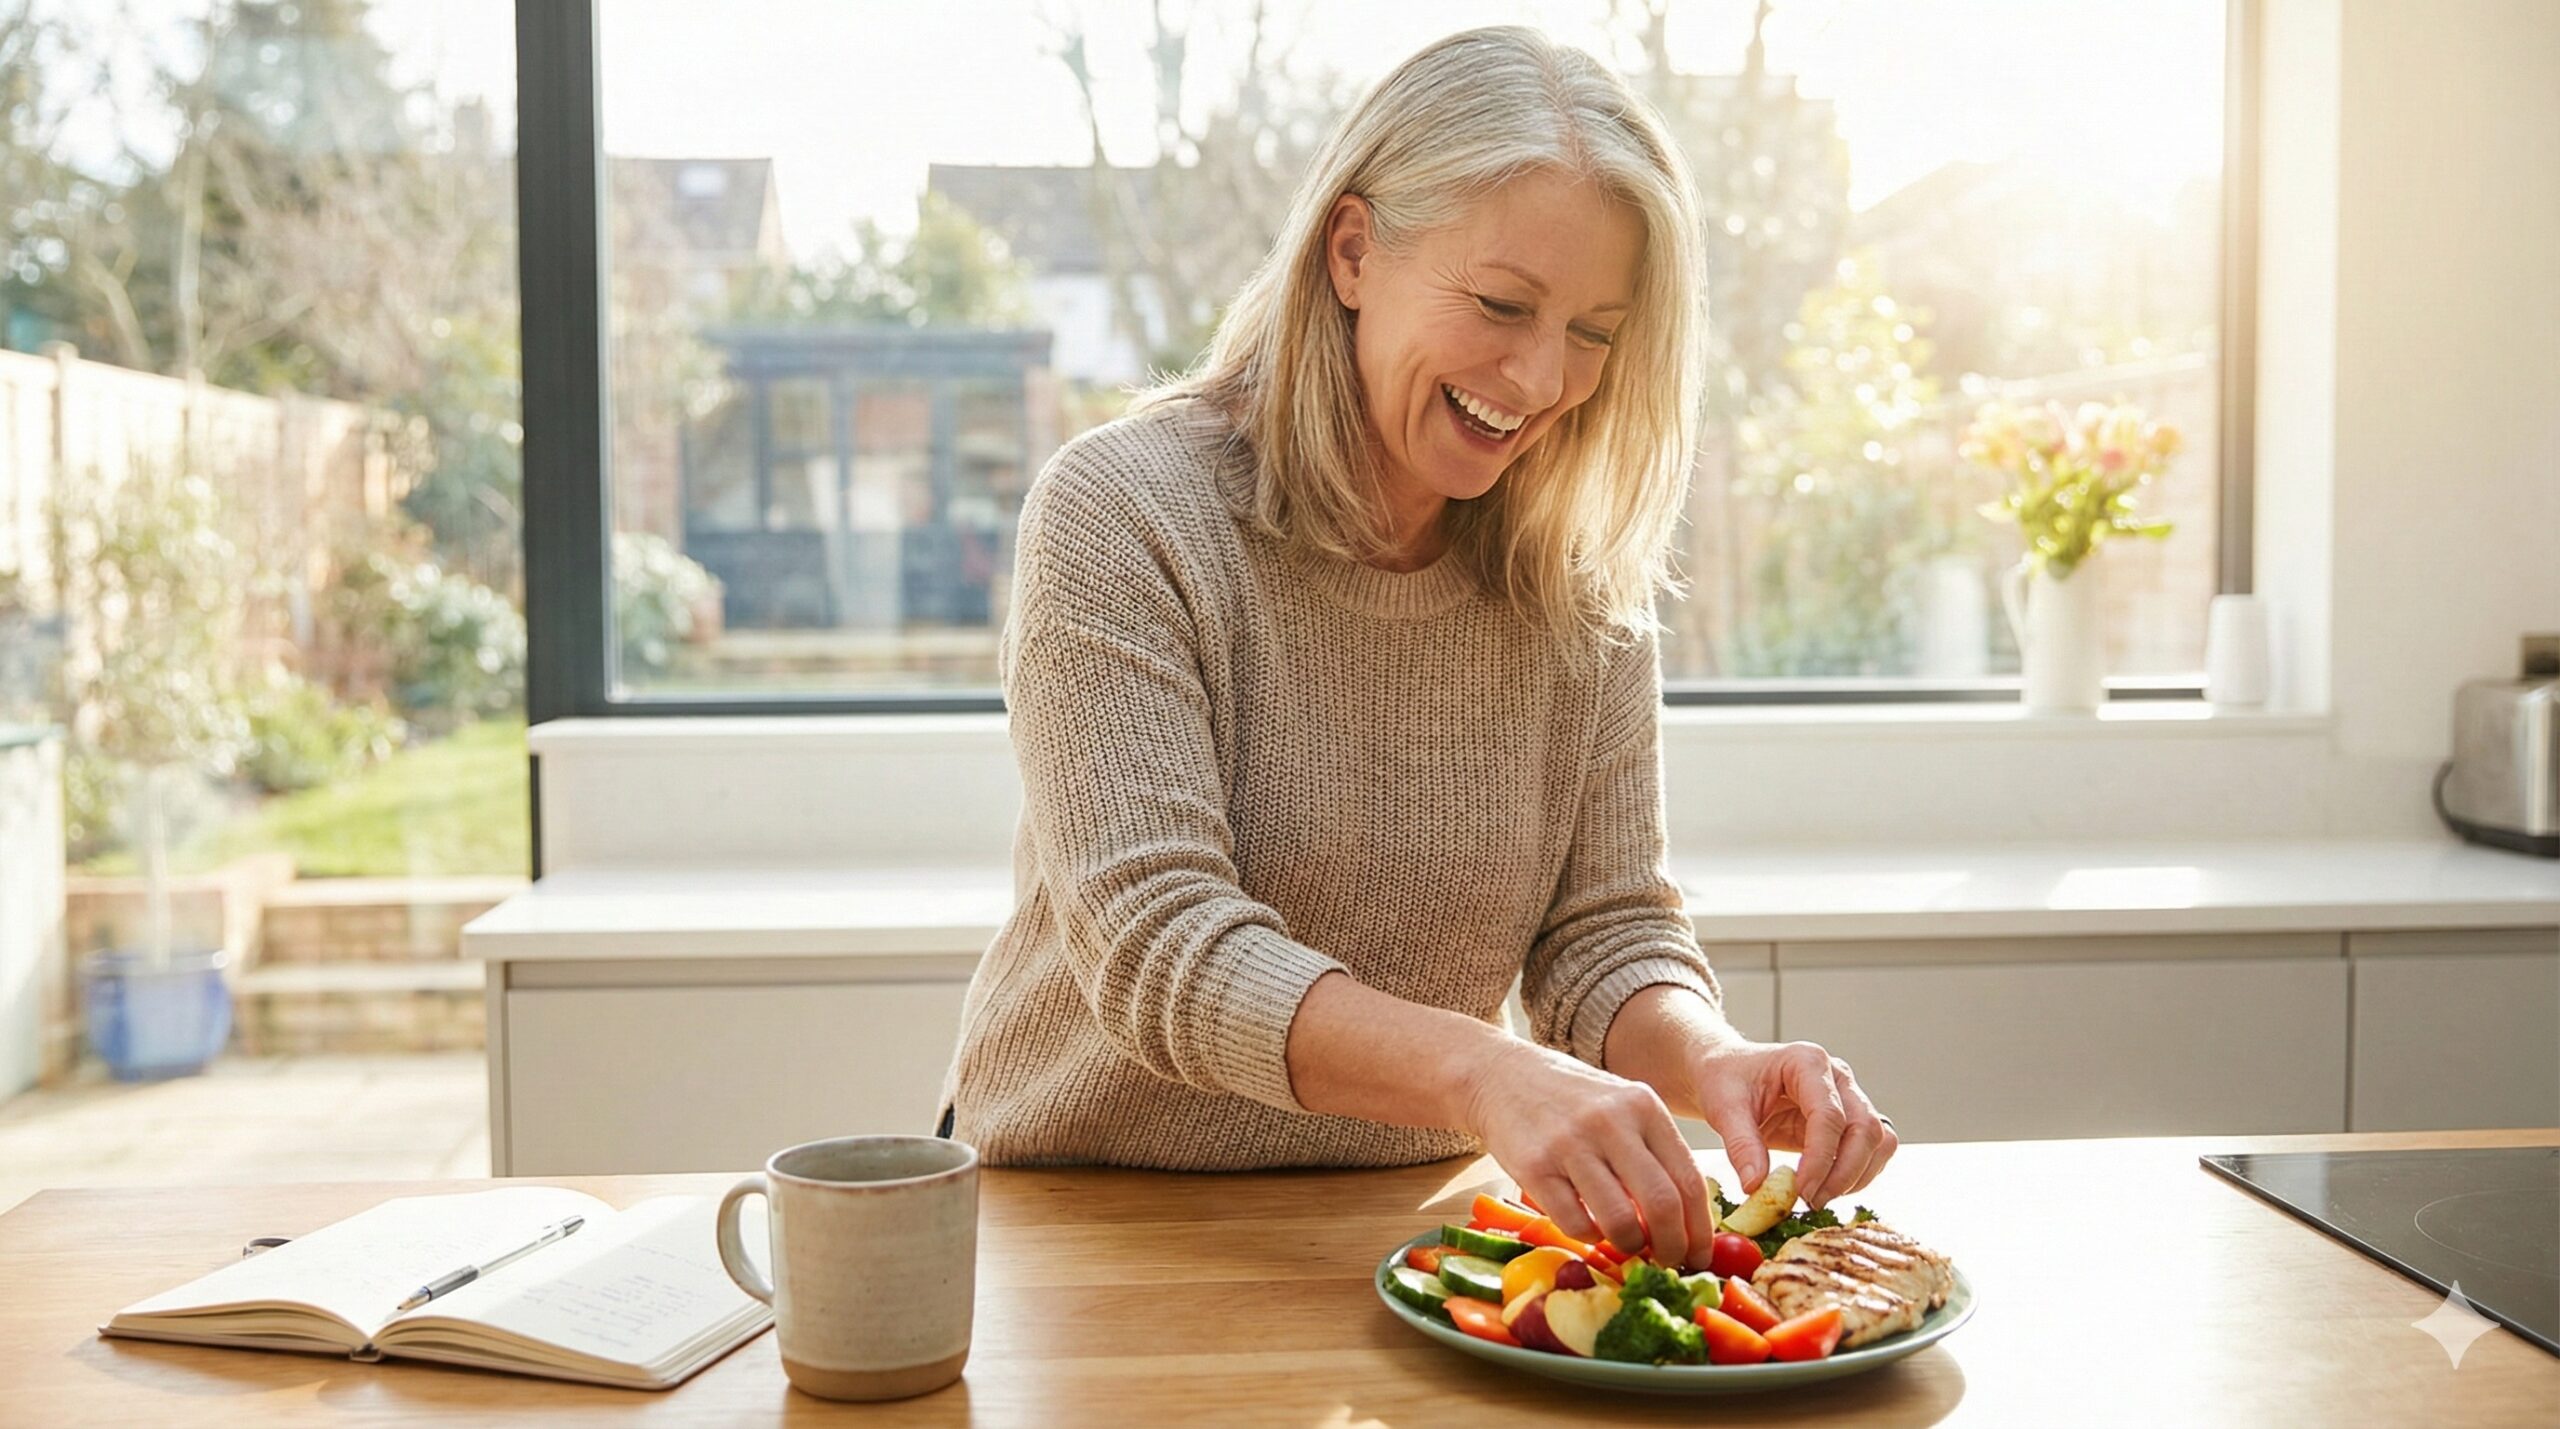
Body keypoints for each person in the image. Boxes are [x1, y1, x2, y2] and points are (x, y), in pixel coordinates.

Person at [936, 25, 1896, 1273]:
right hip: (1073, 1219)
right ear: (1352, 253)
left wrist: (1708, 1057)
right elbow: (1156, 946)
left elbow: (1601, 931)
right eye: (1501, 305)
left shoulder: (1574, 576)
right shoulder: (1121, 512)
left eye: (1594, 330)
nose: (1543, 376)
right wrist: (1484, 1068)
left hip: (1407, 1242)